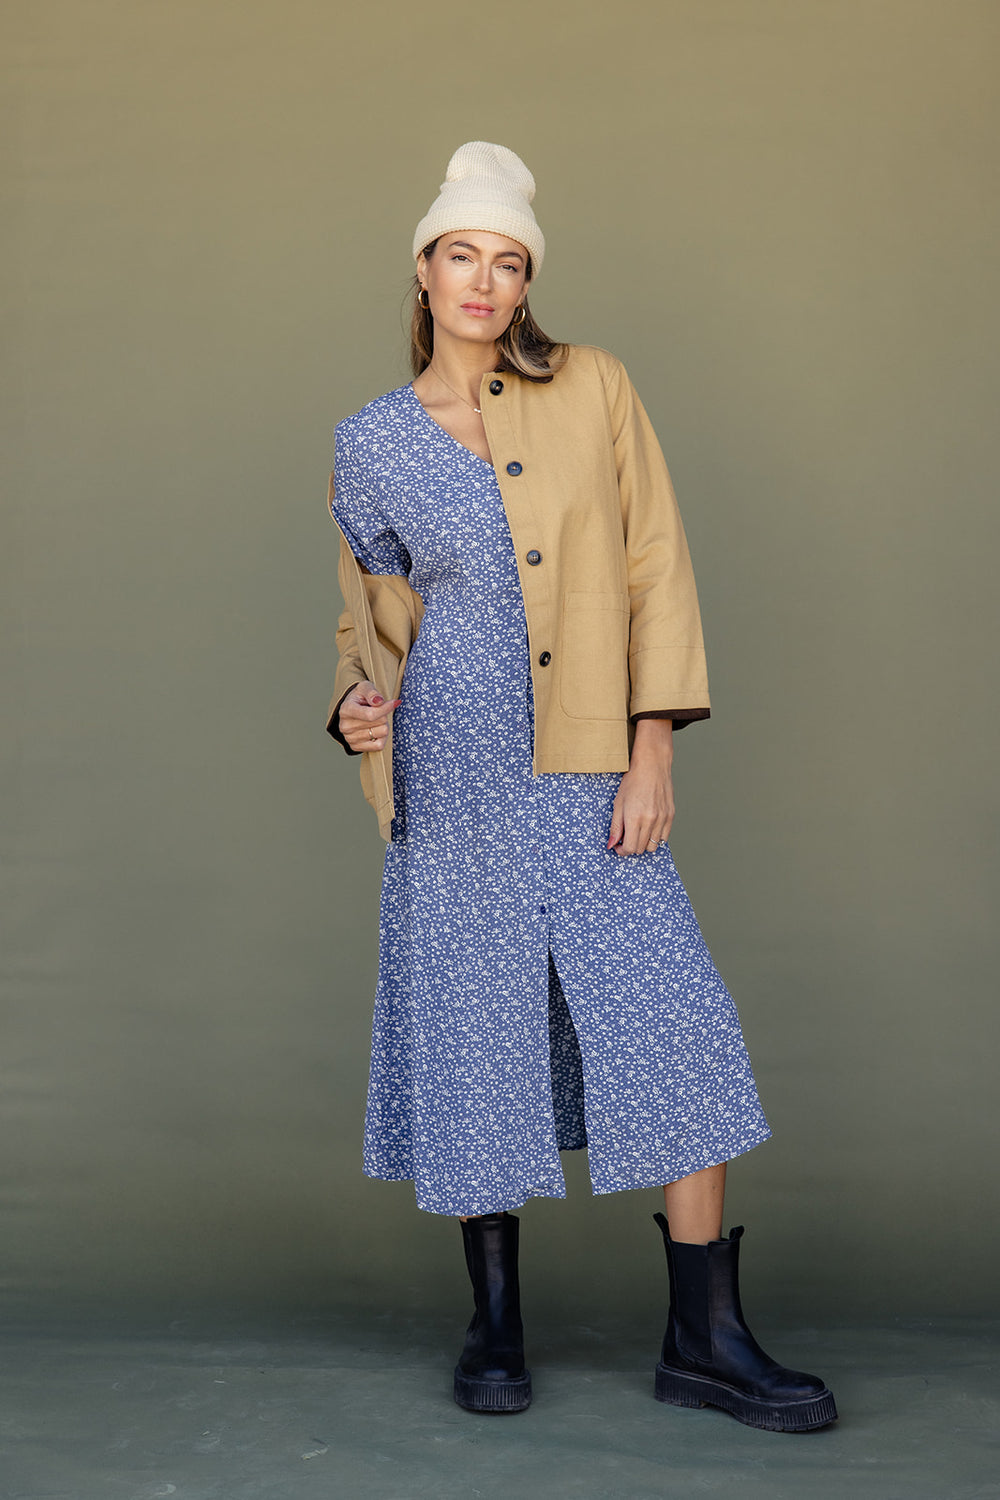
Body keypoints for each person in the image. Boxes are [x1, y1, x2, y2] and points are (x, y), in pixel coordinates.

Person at [326, 141, 836, 1432]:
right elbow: (368, 626)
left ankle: (705, 1339)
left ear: (527, 281)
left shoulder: (594, 385)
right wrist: (353, 708)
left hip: (589, 760)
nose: (483, 281)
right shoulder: (370, 442)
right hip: (451, 772)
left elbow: (654, 559)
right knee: (480, 1031)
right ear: (423, 268)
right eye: (461, 255)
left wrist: (652, 743)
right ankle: (494, 1325)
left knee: (678, 1027)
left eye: (508, 262)